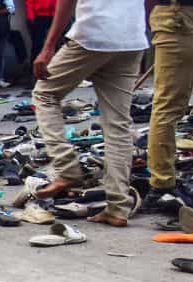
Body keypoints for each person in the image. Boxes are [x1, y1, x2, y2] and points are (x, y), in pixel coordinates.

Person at [32, 0, 144, 226]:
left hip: (94, 33)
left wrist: (48, 46)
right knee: (118, 124)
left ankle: (67, 169)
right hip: (132, 37)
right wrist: (140, 28)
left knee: (45, 94)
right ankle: (118, 207)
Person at [145, 0, 193, 210]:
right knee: (168, 106)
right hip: (178, 16)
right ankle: (161, 185)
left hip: (189, 15)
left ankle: (164, 179)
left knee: (175, 103)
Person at [26, 0, 56, 72]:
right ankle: (33, 70)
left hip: (53, 15)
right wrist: (30, 17)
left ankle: (53, 68)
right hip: (39, 16)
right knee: (37, 44)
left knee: (55, 44)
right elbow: (28, 3)